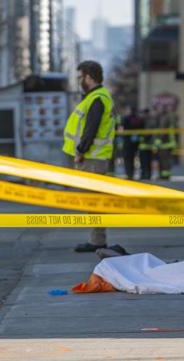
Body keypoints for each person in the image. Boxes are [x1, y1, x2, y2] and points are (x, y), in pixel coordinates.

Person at [62, 61, 115, 253]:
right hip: (93, 157)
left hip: (92, 158)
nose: (79, 81)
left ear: (89, 77)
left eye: (80, 77)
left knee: (94, 201)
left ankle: (97, 241)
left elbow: (90, 129)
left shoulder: (97, 99)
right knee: (92, 201)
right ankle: (96, 240)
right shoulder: (95, 97)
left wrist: (80, 151)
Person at [121, 106, 144, 180]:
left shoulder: (126, 118)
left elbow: (123, 127)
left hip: (127, 142)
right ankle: (133, 173)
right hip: (136, 142)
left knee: (128, 159)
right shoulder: (139, 119)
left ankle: (129, 174)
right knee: (135, 158)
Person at [138, 108, 154, 180]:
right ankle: (147, 175)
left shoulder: (145, 121)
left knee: (145, 162)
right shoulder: (151, 120)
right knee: (147, 162)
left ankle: (145, 175)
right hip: (148, 146)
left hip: (145, 145)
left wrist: (142, 138)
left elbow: (147, 134)